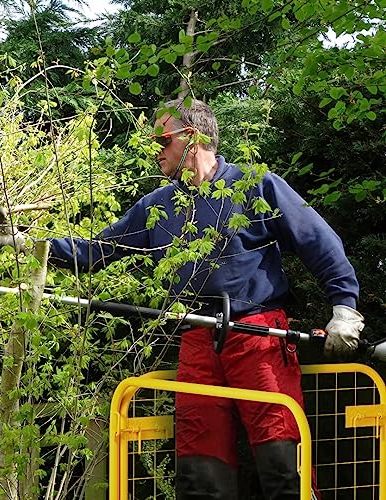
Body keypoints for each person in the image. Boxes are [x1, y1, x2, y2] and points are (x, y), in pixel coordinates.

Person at [46, 99, 364, 499]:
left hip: (258, 335)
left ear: (192, 138)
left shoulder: (256, 185)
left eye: (162, 140)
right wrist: (28, 244)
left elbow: (318, 241)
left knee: (283, 458)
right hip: (197, 336)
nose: (155, 151)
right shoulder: (157, 207)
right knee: (200, 473)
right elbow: (94, 251)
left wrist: (344, 308)